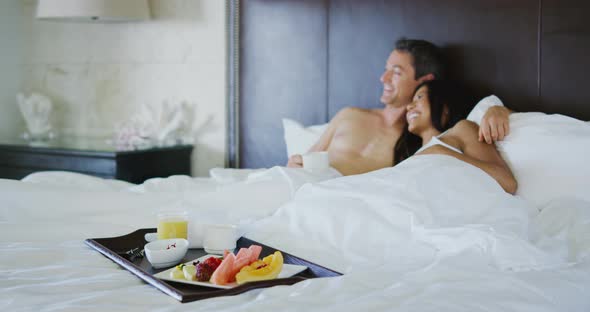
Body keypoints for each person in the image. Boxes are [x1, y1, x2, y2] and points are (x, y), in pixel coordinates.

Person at [286, 38, 512, 176]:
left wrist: (498, 109)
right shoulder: (348, 114)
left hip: (342, 198)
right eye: (386, 69)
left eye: (396, 72)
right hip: (305, 184)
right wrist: (294, 164)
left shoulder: (416, 140)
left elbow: (469, 120)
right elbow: (302, 161)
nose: (383, 78)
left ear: (425, 81)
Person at [406, 80, 517, 194]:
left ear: (445, 106)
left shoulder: (461, 130)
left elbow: (507, 183)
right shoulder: (409, 159)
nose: (409, 106)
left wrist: (443, 152)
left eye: (419, 97)